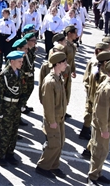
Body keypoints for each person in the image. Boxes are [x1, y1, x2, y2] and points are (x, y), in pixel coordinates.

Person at [87, 59, 110, 186]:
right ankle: (92, 176)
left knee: (103, 152)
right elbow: (100, 112)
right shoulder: (106, 88)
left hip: (108, 126)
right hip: (102, 127)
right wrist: (104, 129)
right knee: (98, 152)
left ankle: (98, 173)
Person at [35, 51, 68, 179]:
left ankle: (54, 165)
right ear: (57, 64)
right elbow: (48, 104)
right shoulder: (50, 81)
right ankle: (42, 166)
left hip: (59, 117)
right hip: (52, 119)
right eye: (64, 62)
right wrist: (52, 121)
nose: (66, 64)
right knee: (54, 144)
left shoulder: (59, 77)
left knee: (60, 143)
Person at [0, 50, 25, 167]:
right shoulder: (4, 75)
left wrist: (22, 104)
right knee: (4, 133)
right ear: (12, 62)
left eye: (21, 61)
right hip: (6, 107)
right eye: (19, 61)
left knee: (13, 131)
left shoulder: (19, 73)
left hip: (15, 107)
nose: (21, 63)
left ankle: (9, 153)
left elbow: (22, 90)